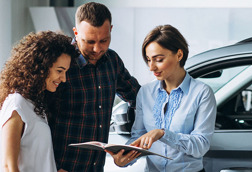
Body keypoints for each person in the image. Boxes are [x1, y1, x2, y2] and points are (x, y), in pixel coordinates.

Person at [107, 25, 217, 172]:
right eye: (148, 60)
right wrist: (123, 159)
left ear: (179, 55)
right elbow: (138, 137)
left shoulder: (202, 93)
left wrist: (163, 134)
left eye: (158, 59)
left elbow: (201, 146)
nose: (151, 67)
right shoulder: (145, 93)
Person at [48, 2, 141, 172]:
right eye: (89, 41)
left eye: (104, 40)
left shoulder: (112, 61)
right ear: (76, 33)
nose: (97, 49)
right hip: (62, 168)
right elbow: (38, 119)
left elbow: (140, 99)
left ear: (111, 30)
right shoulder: (61, 64)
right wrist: (55, 167)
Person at [0, 31, 77, 172]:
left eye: (65, 71)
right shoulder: (17, 103)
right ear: (41, 67)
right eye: (59, 71)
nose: (64, 78)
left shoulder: (35, 104)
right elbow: (7, 167)